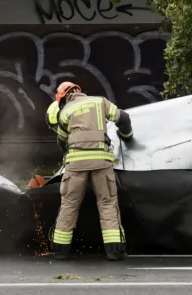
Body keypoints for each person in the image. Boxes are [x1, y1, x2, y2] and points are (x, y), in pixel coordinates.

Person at [45, 81, 133, 261]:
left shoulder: (65, 113)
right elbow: (124, 119)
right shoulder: (99, 102)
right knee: (107, 204)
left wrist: (66, 156)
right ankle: (114, 251)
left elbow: (61, 141)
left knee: (69, 204)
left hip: (75, 165)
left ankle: (60, 251)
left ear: (63, 99)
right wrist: (127, 136)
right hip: (101, 163)